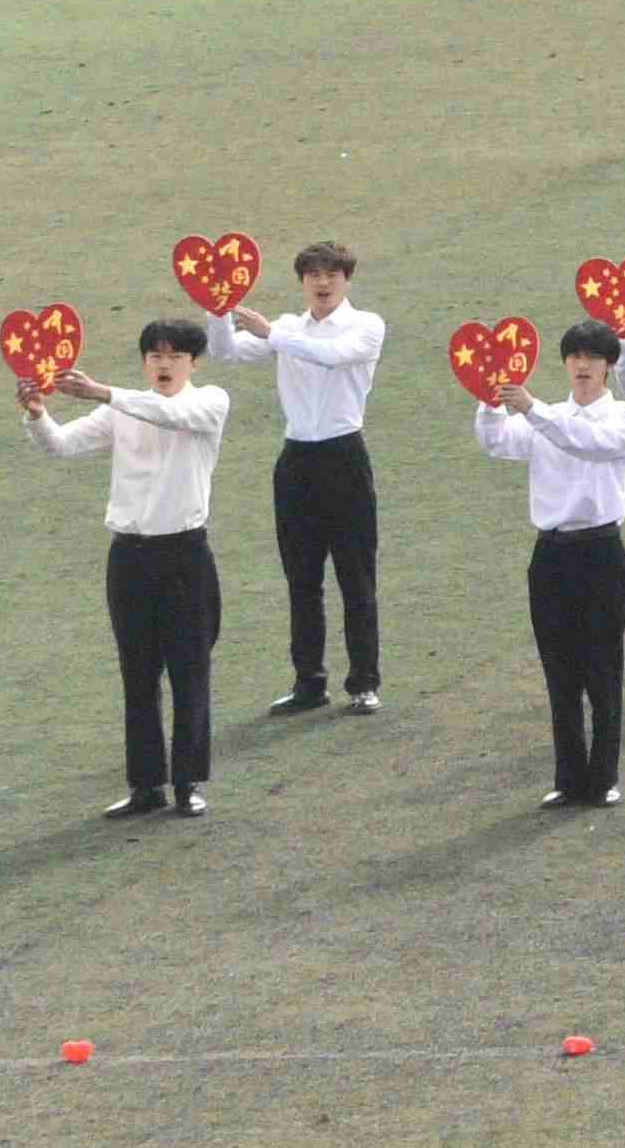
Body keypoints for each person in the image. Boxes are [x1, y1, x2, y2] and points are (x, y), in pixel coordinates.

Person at [20, 311, 235, 816]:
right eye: (155, 355)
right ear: (144, 361)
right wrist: (36, 413)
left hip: (185, 556)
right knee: (137, 675)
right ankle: (146, 786)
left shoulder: (210, 402)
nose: (164, 365)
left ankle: (188, 783)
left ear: (194, 363)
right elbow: (62, 445)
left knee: (189, 673)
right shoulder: (121, 411)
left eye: (175, 356)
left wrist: (103, 392)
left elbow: (169, 416)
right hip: (129, 559)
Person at [205, 242, 389, 716]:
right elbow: (225, 351)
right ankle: (309, 683)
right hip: (296, 462)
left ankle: (364, 683)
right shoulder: (289, 327)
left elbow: (332, 355)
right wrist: (216, 306)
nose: (322, 283)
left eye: (331, 274)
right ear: (303, 281)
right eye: (313, 275)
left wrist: (273, 334)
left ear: (346, 279)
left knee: (356, 577)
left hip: (345, 457)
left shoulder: (366, 325)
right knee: (301, 580)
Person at [478, 322, 625, 806]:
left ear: (609, 366)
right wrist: (489, 399)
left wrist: (531, 407)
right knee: (560, 672)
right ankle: (568, 780)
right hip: (550, 556)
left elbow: (586, 443)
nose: (583, 365)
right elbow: (496, 442)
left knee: (602, 670)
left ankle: (604, 778)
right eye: (575, 357)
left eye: (593, 357)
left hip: (600, 553)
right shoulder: (545, 418)